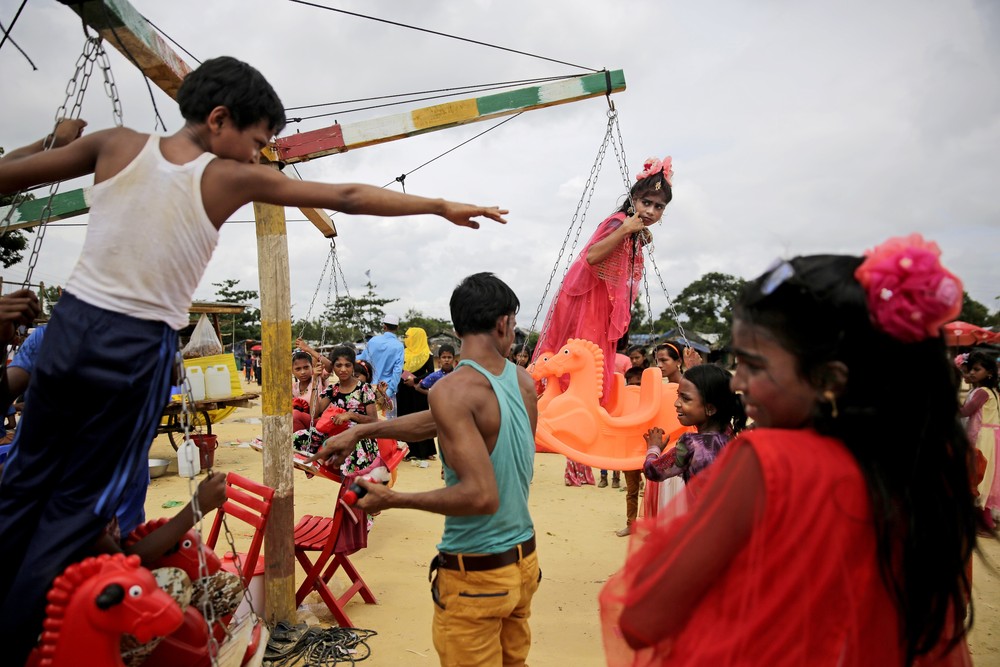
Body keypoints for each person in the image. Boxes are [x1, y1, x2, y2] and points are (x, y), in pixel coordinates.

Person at [0, 55, 507, 663]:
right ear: (219, 120)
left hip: (69, 332)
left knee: (27, 478)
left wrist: (46, 141)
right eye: (257, 142)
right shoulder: (225, 177)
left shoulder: (114, 144)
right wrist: (439, 205)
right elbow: (345, 194)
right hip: (132, 351)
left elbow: (10, 177)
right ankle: (36, 634)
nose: (255, 156)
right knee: (87, 507)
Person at [601, 236, 976, 665]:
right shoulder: (935, 465)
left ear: (830, 380)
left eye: (754, 366)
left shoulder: (766, 462)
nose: (738, 384)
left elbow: (646, 615)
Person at [311, 272, 540, 667]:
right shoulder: (520, 381)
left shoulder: (451, 389)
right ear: (503, 323)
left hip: (476, 575)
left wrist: (393, 498)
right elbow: (447, 421)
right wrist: (365, 429)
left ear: (457, 325)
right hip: (523, 563)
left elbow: (480, 495)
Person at [642, 364, 745, 496]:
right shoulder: (729, 434)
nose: (676, 403)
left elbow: (653, 471)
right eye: (678, 395)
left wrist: (653, 448)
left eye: (685, 398)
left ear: (710, 409)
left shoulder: (691, 444)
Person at [960, 349, 1000, 525]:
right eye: (970, 369)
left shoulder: (982, 392)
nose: (971, 373)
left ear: (989, 372)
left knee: (978, 477)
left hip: (982, 439)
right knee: (984, 477)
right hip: (987, 436)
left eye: (977, 369)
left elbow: (965, 411)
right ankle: (983, 519)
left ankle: (982, 521)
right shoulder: (985, 391)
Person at [397, 327, 438, 461]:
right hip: (404, 391)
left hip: (419, 390)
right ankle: (409, 451)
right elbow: (397, 369)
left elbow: (431, 372)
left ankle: (426, 451)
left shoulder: (427, 354)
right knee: (406, 418)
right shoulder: (402, 353)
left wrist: (414, 380)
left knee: (421, 419)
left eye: (409, 336)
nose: (406, 339)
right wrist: (406, 378)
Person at [359, 315, 406, 418]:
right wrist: (388, 393)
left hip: (370, 388)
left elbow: (362, 358)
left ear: (384, 326)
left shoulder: (373, 341)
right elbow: (397, 372)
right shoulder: (398, 346)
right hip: (386, 390)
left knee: (369, 423)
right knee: (387, 426)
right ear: (397, 328)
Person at [292, 350, 320, 432]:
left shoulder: (319, 379)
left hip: (317, 423)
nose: (303, 372)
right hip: (301, 425)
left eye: (306, 367)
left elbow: (329, 366)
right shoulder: (294, 387)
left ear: (312, 367)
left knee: (295, 414)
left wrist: (306, 348)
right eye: (298, 369)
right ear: (292, 371)